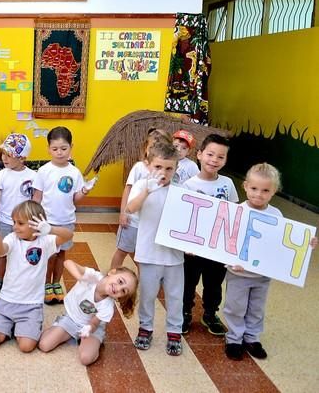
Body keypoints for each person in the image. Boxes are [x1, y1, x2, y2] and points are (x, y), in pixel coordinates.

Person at [223, 163, 317, 360]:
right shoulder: (237, 211)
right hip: (238, 273)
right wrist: (231, 261)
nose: (259, 194)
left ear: (274, 191)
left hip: (262, 276)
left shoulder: (276, 215)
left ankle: (252, 338)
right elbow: (225, 241)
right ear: (246, 186)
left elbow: (282, 242)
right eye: (255, 188)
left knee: (256, 308)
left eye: (266, 190)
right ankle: (234, 338)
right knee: (235, 307)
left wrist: (305, 243)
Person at [0, 200, 74, 353]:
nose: (15, 227)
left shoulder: (45, 241)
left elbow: (68, 235)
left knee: (26, 347)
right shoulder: (12, 238)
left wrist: (50, 229)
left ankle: (19, 329)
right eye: (14, 222)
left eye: (20, 223)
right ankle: (11, 327)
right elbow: (0, 251)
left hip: (31, 306)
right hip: (7, 302)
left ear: (35, 224)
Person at [126, 142, 185, 356]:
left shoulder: (181, 190)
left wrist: (191, 245)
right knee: (148, 294)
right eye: (158, 167)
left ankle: (174, 332)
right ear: (148, 165)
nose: (163, 172)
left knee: (175, 296)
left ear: (176, 168)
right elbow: (130, 208)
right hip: (148, 253)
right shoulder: (142, 186)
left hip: (174, 256)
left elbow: (189, 221)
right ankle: (146, 328)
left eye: (169, 168)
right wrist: (147, 192)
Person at [33, 126, 97, 304]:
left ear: (71, 147)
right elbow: (36, 198)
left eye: (63, 148)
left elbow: (76, 199)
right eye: (55, 149)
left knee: (61, 254)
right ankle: (46, 285)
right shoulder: (44, 171)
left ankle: (56, 283)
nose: (59, 153)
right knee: (50, 254)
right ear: (48, 149)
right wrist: (34, 219)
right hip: (47, 222)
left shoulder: (74, 172)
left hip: (67, 221)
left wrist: (85, 190)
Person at [182, 134, 238, 336]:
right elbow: (184, 217)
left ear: (225, 160)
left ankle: (210, 313)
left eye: (220, 157)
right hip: (194, 248)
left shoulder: (228, 184)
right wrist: (185, 246)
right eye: (210, 154)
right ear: (199, 154)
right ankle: (185, 313)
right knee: (188, 282)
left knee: (214, 284)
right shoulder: (188, 185)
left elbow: (234, 214)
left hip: (217, 247)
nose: (214, 160)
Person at [38, 260, 138, 365]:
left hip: (92, 329)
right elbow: (68, 262)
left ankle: (93, 343)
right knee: (44, 345)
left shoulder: (107, 306)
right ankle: (64, 328)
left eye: (123, 291)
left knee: (86, 358)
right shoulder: (93, 276)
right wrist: (80, 277)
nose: (118, 288)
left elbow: (94, 323)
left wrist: (88, 329)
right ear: (112, 272)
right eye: (120, 281)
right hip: (72, 319)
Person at [0, 133, 36, 299]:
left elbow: (36, 200)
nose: (4, 158)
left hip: (26, 224)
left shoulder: (33, 176)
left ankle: (21, 282)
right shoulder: (2, 174)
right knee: (3, 253)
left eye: (9, 155)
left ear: (22, 157)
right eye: (3, 154)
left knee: (23, 253)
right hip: (6, 222)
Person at [110, 128, 172, 269]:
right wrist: (123, 213)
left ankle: (142, 284)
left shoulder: (167, 171)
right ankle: (111, 275)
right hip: (133, 222)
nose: (155, 151)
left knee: (143, 256)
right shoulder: (139, 167)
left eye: (160, 148)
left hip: (150, 224)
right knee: (122, 251)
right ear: (146, 148)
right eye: (152, 148)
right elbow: (128, 189)